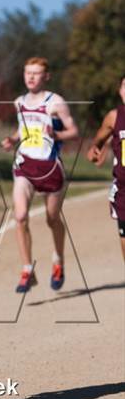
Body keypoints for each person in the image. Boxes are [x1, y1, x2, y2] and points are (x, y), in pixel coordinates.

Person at [1, 57, 79, 293]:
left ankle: (58, 261)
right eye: (28, 73)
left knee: (52, 218)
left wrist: (57, 136)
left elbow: (73, 130)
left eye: (36, 73)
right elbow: (22, 128)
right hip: (24, 165)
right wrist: (12, 139)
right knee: (21, 216)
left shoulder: (56, 102)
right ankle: (27, 269)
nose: (31, 77)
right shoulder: (19, 102)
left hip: (50, 167)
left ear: (46, 77)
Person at [87, 75, 125, 260]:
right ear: (120, 91)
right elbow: (101, 137)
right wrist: (97, 147)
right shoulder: (114, 116)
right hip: (123, 190)